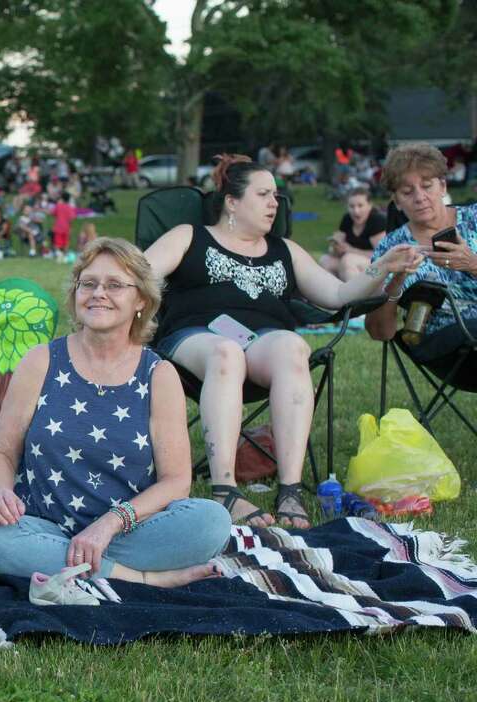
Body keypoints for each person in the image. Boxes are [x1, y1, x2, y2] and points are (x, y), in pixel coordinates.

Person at [144, 155, 422, 528]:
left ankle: (289, 488)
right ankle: (225, 490)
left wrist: (383, 266)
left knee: (292, 346)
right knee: (226, 352)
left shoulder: (284, 249)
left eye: (276, 195)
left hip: (261, 341)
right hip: (193, 339)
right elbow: (137, 273)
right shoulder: (189, 236)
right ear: (232, 201)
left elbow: (338, 294)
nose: (275, 203)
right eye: (263, 195)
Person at [0, 237, 231, 588]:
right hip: (43, 523)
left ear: (141, 299)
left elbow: (176, 482)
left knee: (212, 521)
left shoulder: (159, 375)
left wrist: (108, 525)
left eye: (114, 285)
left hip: (128, 530)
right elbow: (1, 451)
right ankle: (143, 579)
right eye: (88, 283)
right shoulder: (42, 361)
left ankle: (73, 564)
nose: (98, 293)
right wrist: (1, 493)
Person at [366, 142, 477, 346]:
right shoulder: (391, 248)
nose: (419, 197)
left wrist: (472, 264)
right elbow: (379, 332)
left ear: (443, 187)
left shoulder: (474, 219)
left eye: (427, 186)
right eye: (407, 192)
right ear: (397, 201)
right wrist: (396, 281)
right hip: (444, 344)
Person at [320, 187, 387, 281]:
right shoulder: (347, 219)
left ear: (369, 205)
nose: (356, 211)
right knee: (325, 260)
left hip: (380, 269)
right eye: (351, 206)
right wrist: (336, 248)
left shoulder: (377, 221)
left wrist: (350, 250)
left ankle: (356, 295)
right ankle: (333, 292)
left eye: (360, 205)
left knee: (348, 260)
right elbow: (337, 245)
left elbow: (382, 255)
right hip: (352, 264)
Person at [51, 191, 78, 261]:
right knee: (65, 243)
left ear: (61, 198)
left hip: (58, 227)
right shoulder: (70, 207)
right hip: (66, 228)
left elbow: (53, 213)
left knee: (57, 243)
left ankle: (59, 256)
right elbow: (72, 218)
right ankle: (65, 257)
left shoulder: (58, 206)